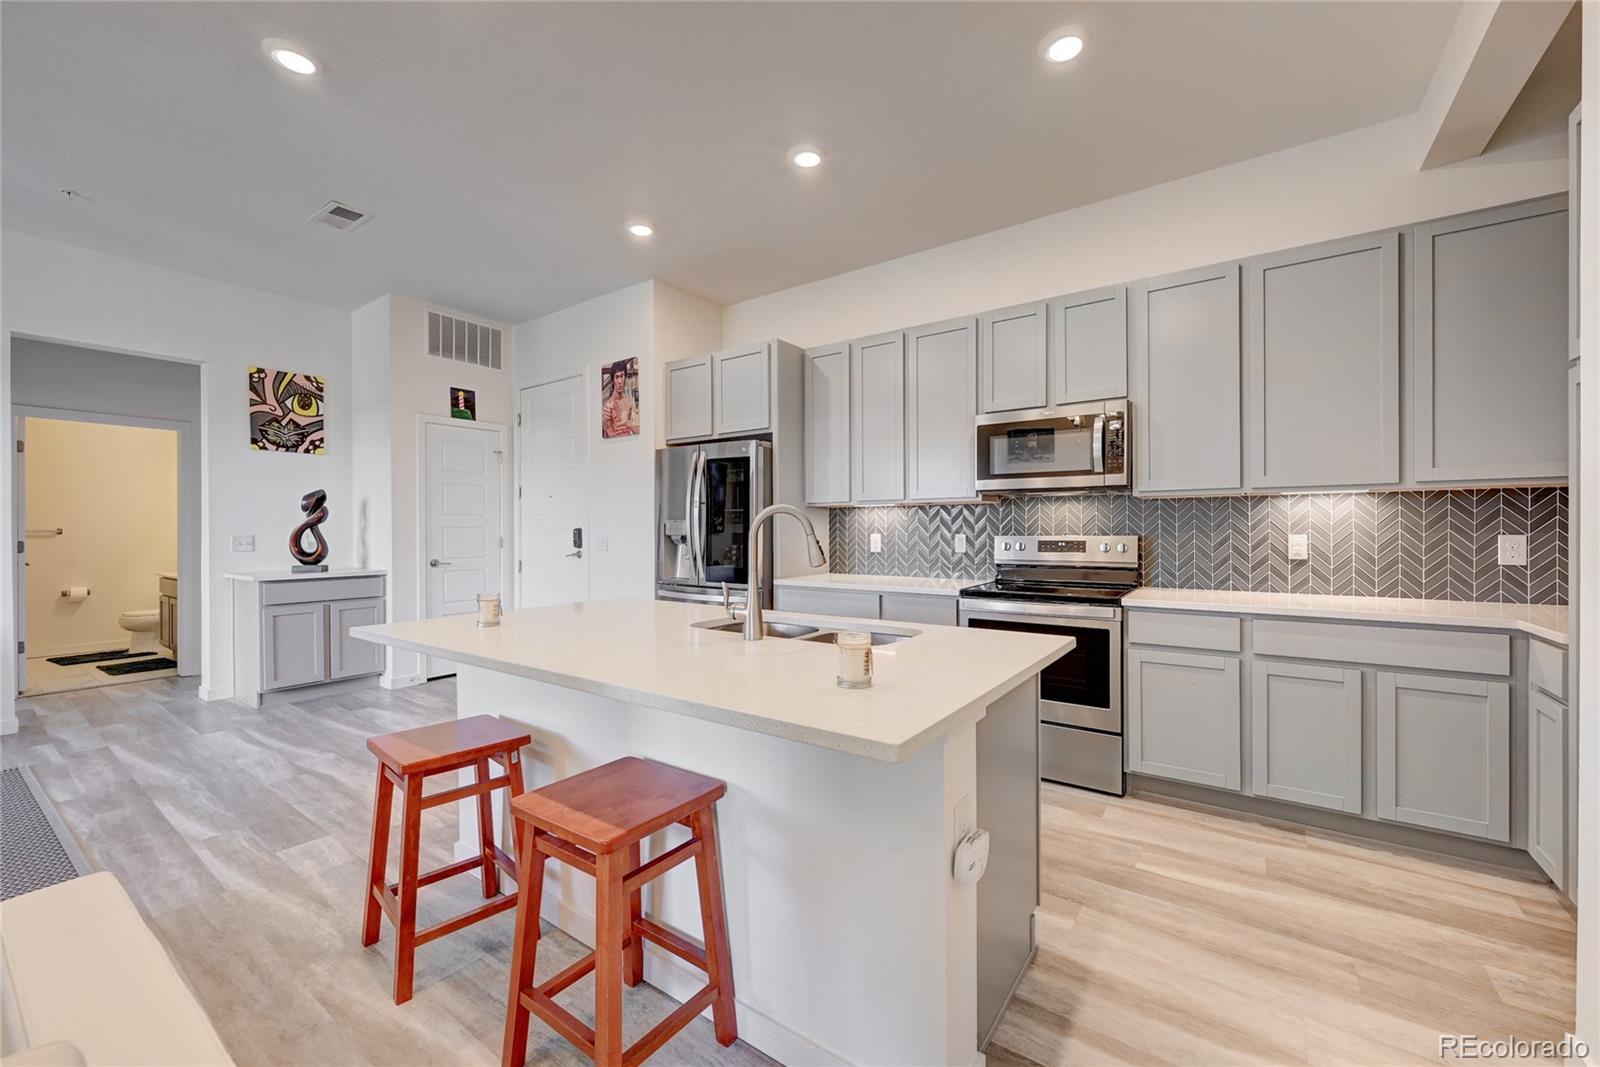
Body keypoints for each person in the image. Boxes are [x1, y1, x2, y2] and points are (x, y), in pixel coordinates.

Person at [602, 360, 638, 437]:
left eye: (622, 376)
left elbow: (638, 429)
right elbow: (607, 432)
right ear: (612, 380)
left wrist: (628, 424)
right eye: (617, 377)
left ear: (625, 377)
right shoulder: (608, 405)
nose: (620, 381)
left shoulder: (629, 401)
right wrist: (605, 421)